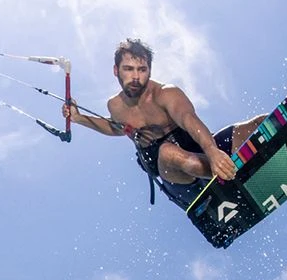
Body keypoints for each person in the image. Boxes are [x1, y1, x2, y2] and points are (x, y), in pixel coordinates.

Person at [62, 38, 265, 208]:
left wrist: (213, 152)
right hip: (180, 181)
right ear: (116, 70)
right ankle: (231, 175)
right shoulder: (116, 107)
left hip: (205, 154)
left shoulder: (166, 94)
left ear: (150, 71)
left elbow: (188, 118)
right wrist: (79, 118)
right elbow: (114, 128)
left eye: (142, 70)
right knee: (167, 152)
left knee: (260, 124)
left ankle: (232, 168)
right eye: (128, 69)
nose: (135, 77)